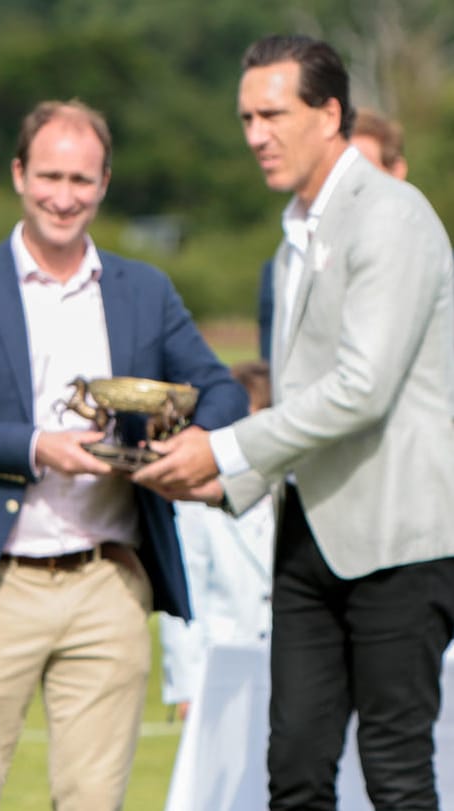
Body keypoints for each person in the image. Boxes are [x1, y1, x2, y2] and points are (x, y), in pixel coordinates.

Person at [135, 34, 454, 810]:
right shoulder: (294, 231)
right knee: (296, 772)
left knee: (396, 771)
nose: (254, 135)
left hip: (400, 542)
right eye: (246, 117)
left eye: (272, 114)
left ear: (330, 113)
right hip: (308, 538)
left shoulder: (391, 215)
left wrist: (223, 445)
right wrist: (220, 481)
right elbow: (305, 401)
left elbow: (361, 389)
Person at [0, 99, 246, 811]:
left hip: (109, 580)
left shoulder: (144, 289)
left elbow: (222, 388)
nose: (64, 196)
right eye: (50, 176)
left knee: (94, 802)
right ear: (19, 174)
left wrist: (187, 444)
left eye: (82, 181)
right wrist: (39, 447)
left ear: (106, 182)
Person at [159, 360, 276, 720]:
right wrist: (187, 685)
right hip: (223, 662)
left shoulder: (292, 488)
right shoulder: (197, 503)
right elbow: (187, 588)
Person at [256, 109, 409, 360]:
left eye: (363, 168)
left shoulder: (435, 262)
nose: (347, 184)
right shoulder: (283, 267)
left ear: (397, 171)